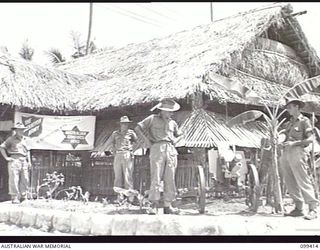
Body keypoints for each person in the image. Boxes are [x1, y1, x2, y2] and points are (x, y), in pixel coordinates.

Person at [135, 98, 184, 215]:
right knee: (156, 177)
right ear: (161, 110)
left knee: (170, 178)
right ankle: (153, 205)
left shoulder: (173, 123)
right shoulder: (152, 119)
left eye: (171, 111)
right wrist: (146, 142)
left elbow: (180, 134)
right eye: (168, 111)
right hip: (157, 148)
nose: (170, 113)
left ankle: (168, 205)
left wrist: (176, 140)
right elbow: (138, 128)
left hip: (171, 149)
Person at [279, 98, 318, 220]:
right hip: (286, 153)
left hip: (298, 152)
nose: (288, 109)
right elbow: (284, 134)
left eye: (289, 107)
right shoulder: (290, 122)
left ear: (296, 107)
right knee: (290, 181)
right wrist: (279, 138)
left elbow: (311, 139)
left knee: (303, 180)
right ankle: (299, 208)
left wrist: (294, 144)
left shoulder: (304, 121)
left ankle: (313, 209)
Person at [104, 116, 138, 204]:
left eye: (126, 124)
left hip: (127, 154)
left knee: (128, 176)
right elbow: (112, 143)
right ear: (120, 125)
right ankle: (119, 197)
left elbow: (137, 142)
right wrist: (114, 151)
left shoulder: (131, 133)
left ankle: (130, 198)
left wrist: (131, 150)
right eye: (123, 124)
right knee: (118, 176)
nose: (125, 126)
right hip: (118, 155)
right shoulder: (115, 133)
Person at [0, 123, 31, 204]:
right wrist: (7, 158)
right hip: (14, 159)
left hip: (24, 160)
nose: (21, 131)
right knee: (14, 179)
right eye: (19, 129)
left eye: (22, 129)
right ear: (16, 131)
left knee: (25, 178)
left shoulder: (25, 139)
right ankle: (14, 197)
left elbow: (28, 151)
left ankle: (23, 196)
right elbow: (2, 147)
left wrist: (29, 161)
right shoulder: (11, 139)